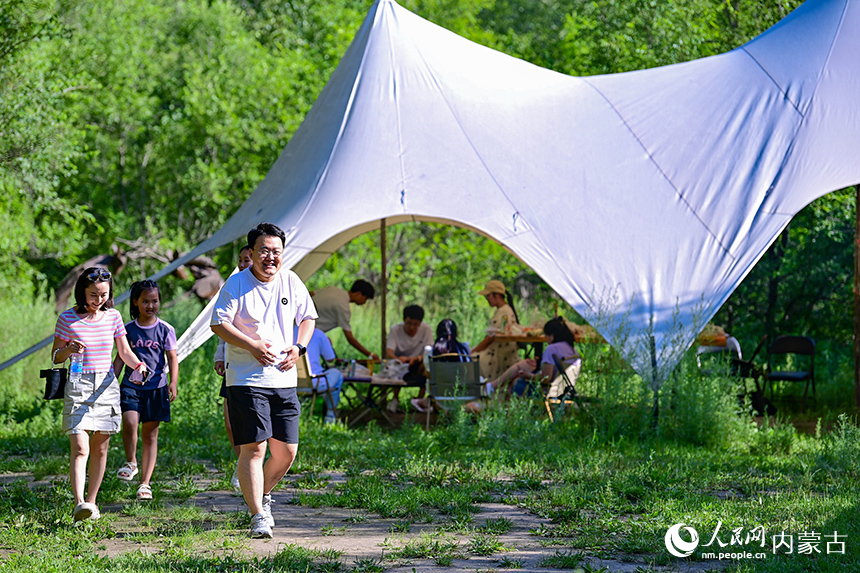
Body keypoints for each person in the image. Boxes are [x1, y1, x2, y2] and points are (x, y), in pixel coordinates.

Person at [210, 222, 316, 539]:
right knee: (254, 449)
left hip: (283, 379)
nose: (270, 257)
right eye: (264, 251)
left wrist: (299, 347)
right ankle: (257, 514)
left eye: (276, 252)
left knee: (286, 452)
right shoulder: (237, 284)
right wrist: (252, 345)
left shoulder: (291, 281)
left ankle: (260, 492)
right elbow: (219, 324)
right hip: (246, 378)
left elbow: (308, 318)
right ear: (252, 253)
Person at [51, 267, 149, 522]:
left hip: (106, 386)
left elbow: (124, 352)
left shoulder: (113, 317)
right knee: (80, 447)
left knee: (100, 448)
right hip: (79, 385)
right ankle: (79, 502)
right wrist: (69, 349)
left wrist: (138, 365)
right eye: (93, 294)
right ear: (82, 292)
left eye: (104, 294)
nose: (98, 300)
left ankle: (91, 504)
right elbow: (55, 356)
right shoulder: (67, 319)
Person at [113, 280, 179, 501]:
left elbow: (172, 358)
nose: (150, 306)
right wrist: (111, 381)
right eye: (145, 301)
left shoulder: (165, 329)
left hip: (157, 387)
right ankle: (131, 461)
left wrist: (173, 382)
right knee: (130, 422)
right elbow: (121, 357)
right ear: (135, 302)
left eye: (154, 301)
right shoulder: (127, 329)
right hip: (131, 386)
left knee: (150, 435)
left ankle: (145, 483)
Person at [465, 317, 581, 413]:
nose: (546, 340)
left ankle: (507, 413)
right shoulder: (572, 349)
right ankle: (492, 390)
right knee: (523, 365)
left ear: (552, 336)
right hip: (565, 388)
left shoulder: (551, 349)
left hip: (548, 391)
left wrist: (527, 375)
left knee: (515, 382)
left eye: (546, 336)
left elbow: (546, 378)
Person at [213, 245, 253, 489]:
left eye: (247, 259)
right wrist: (220, 355)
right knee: (230, 422)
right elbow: (221, 325)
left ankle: (251, 468)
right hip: (232, 364)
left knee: (253, 424)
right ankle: (242, 465)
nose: (242, 264)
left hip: (258, 366)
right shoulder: (231, 287)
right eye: (240, 260)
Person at [410, 318, 472, 413]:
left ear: (438, 333)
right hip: (464, 392)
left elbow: (429, 375)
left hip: (439, 393)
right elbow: (469, 374)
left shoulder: (431, 351)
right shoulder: (464, 349)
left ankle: (430, 404)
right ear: (456, 333)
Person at [312, 280, 378, 361]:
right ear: (358, 294)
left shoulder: (332, 289)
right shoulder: (343, 308)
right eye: (365, 299)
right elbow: (350, 339)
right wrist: (370, 354)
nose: (364, 302)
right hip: (309, 333)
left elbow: (311, 293)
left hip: (298, 324)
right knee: (329, 353)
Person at [384, 304, 433, 413]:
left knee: (428, 365)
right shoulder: (395, 330)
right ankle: (395, 398)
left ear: (420, 323)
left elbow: (429, 352)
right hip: (400, 363)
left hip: (418, 362)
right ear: (403, 320)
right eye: (409, 323)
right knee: (396, 366)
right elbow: (389, 352)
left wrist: (416, 359)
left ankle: (420, 399)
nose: (412, 328)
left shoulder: (426, 330)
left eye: (415, 324)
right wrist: (398, 359)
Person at [471, 280, 520, 381]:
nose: (487, 299)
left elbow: (490, 338)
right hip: (498, 351)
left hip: (499, 355)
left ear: (496, 295)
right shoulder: (503, 309)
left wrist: (474, 350)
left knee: (471, 360)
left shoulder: (504, 312)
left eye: (487, 296)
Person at [296, 325, 343, 424]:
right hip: (313, 382)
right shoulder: (318, 333)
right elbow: (330, 359)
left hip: (291, 383)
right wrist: (328, 344)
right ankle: (330, 416)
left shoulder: (287, 332)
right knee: (337, 374)